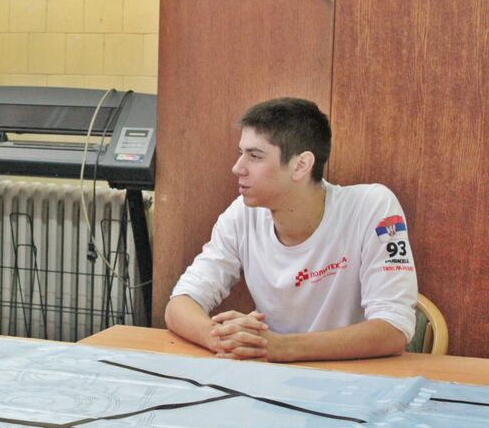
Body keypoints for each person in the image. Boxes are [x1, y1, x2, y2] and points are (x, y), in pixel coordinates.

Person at [165, 97, 417, 362]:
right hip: (273, 373)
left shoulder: (372, 206)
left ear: (301, 165)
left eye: (255, 156)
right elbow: (179, 303)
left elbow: (394, 329)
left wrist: (283, 348)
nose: (237, 168)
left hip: (353, 374)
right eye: (241, 153)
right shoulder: (242, 213)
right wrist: (219, 337)